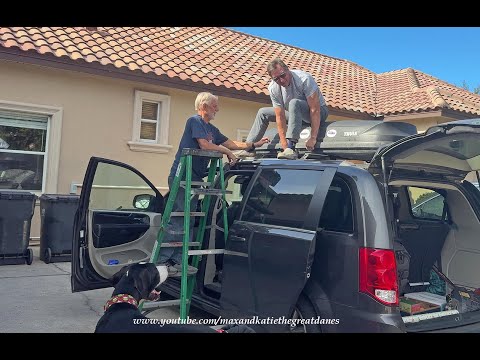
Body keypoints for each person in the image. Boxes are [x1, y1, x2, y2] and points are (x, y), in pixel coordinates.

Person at [158, 92, 269, 276]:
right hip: (183, 176)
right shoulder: (194, 121)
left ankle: (177, 262)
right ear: (204, 106)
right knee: (178, 218)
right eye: (214, 105)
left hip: (194, 179)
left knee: (189, 218)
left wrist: (254, 144)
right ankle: (164, 261)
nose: (218, 108)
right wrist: (226, 151)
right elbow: (204, 145)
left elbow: (231, 143)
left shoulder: (212, 130)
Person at [241, 57, 328, 160]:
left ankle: (292, 146)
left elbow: (315, 109)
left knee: (294, 103)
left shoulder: (304, 79)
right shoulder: (273, 88)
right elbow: (280, 116)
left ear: (287, 70)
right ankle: (248, 149)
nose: (281, 80)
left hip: (318, 112)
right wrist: (284, 146)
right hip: (295, 114)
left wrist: (313, 137)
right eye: (276, 79)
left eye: (283, 75)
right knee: (263, 112)